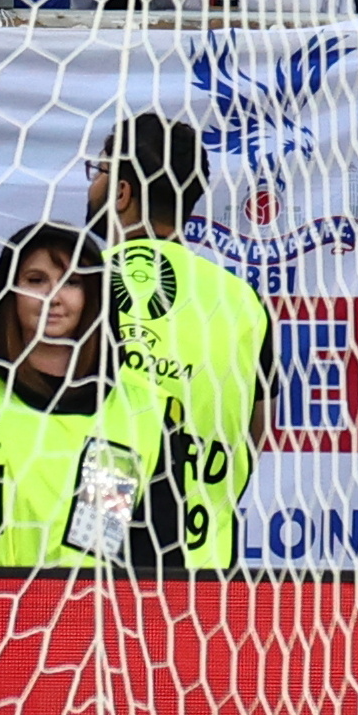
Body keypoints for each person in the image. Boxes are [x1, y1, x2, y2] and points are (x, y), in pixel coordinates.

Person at [0, 222, 183, 572]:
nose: (55, 295)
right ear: (11, 292)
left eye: (72, 282)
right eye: (36, 280)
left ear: (93, 295)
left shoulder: (143, 412)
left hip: (97, 621)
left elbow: (159, 555)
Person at [95, 115, 268, 576]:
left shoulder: (81, 284)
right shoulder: (243, 302)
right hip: (205, 571)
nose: (91, 184)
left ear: (122, 192)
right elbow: (252, 432)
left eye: (97, 170)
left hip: (96, 563)